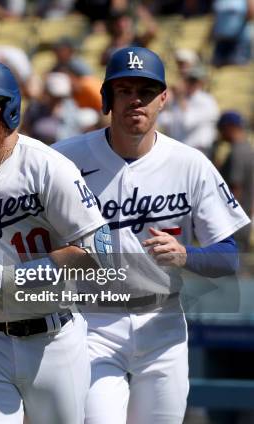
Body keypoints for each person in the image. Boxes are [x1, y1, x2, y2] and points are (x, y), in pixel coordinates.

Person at [53, 47, 251, 424]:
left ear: (163, 98)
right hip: (92, 323)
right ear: (106, 99)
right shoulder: (63, 161)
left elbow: (228, 256)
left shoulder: (189, 164)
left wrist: (186, 256)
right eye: (124, 90)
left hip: (163, 326)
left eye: (146, 90)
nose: (136, 99)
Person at [0, 59, 112, 424]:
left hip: (52, 336)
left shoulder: (48, 167)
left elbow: (100, 251)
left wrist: (19, 279)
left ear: (11, 108)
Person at [216, 110, 253, 252]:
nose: (220, 133)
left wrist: (223, 220)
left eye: (221, 129)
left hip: (234, 223)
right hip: (245, 219)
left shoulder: (236, 153)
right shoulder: (248, 149)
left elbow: (234, 189)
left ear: (230, 127)